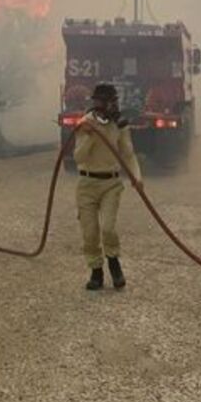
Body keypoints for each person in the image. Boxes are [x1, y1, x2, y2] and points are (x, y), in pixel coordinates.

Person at [73, 83, 143, 291]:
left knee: (108, 228)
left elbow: (128, 154)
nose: (104, 106)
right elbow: (79, 157)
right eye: (99, 102)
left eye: (109, 102)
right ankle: (96, 271)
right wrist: (91, 136)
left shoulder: (119, 125)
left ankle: (113, 262)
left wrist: (137, 177)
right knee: (90, 232)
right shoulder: (85, 124)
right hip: (86, 183)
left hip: (111, 183)